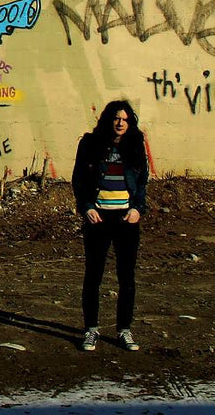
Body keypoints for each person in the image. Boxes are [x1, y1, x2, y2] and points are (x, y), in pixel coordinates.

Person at [71, 100, 148, 352]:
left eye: (125, 119)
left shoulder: (135, 145)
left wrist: (137, 209)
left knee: (127, 277)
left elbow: (142, 181)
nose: (120, 123)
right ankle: (91, 329)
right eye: (116, 118)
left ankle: (124, 330)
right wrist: (87, 207)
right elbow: (79, 179)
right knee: (93, 275)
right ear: (108, 120)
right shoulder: (90, 144)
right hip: (99, 218)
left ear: (130, 122)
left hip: (126, 219)